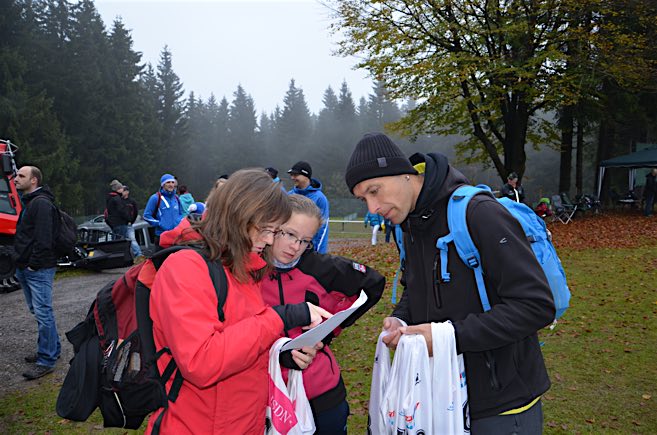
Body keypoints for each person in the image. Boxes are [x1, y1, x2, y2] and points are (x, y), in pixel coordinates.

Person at [345, 133, 555, 433]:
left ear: (406, 174)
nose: (372, 208)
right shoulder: (409, 225)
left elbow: (536, 306)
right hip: (440, 394)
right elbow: (415, 286)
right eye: (363, 198)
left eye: (374, 191)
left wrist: (448, 337)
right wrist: (401, 318)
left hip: (501, 404)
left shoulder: (478, 213)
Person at [146, 169, 332, 434]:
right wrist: (281, 317)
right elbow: (201, 361)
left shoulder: (242, 270)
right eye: (265, 230)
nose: (269, 240)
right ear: (238, 217)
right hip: (197, 425)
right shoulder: (185, 267)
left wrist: (281, 356)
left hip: (245, 423)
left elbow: (240, 343)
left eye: (275, 231)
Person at [260, 195, 385, 434]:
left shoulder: (320, 267)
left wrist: (327, 330)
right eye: (289, 234)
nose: (295, 246)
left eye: (305, 240)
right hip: (265, 397)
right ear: (272, 226)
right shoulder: (245, 271)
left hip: (323, 393)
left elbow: (373, 284)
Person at [13, 166, 61, 380]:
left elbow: (44, 238)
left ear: (34, 180)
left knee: (43, 313)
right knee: (39, 311)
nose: (16, 179)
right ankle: (52, 349)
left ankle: (46, 360)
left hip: (37, 268)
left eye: (21, 176)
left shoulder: (40, 203)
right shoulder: (31, 202)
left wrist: (33, 264)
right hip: (26, 266)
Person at [287, 161, 330, 254]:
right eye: (291, 175)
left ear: (306, 175)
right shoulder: (289, 195)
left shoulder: (320, 198)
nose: (292, 178)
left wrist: (319, 254)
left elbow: (323, 227)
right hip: (289, 247)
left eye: (295, 175)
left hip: (309, 249)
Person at [143, 173, 184, 249]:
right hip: (161, 236)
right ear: (163, 184)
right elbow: (146, 216)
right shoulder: (155, 198)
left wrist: (180, 224)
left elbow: (181, 214)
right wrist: (159, 223)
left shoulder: (176, 198)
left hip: (176, 236)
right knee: (163, 261)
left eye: (172, 182)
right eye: (168, 182)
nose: (171, 184)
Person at [121, 185, 144, 263]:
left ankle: (139, 255)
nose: (122, 192)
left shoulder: (132, 201)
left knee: (132, 240)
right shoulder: (119, 201)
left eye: (123, 190)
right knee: (121, 241)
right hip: (120, 224)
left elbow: (135, 212)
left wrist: (131, 221)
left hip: (128, 224)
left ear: (127, 192)